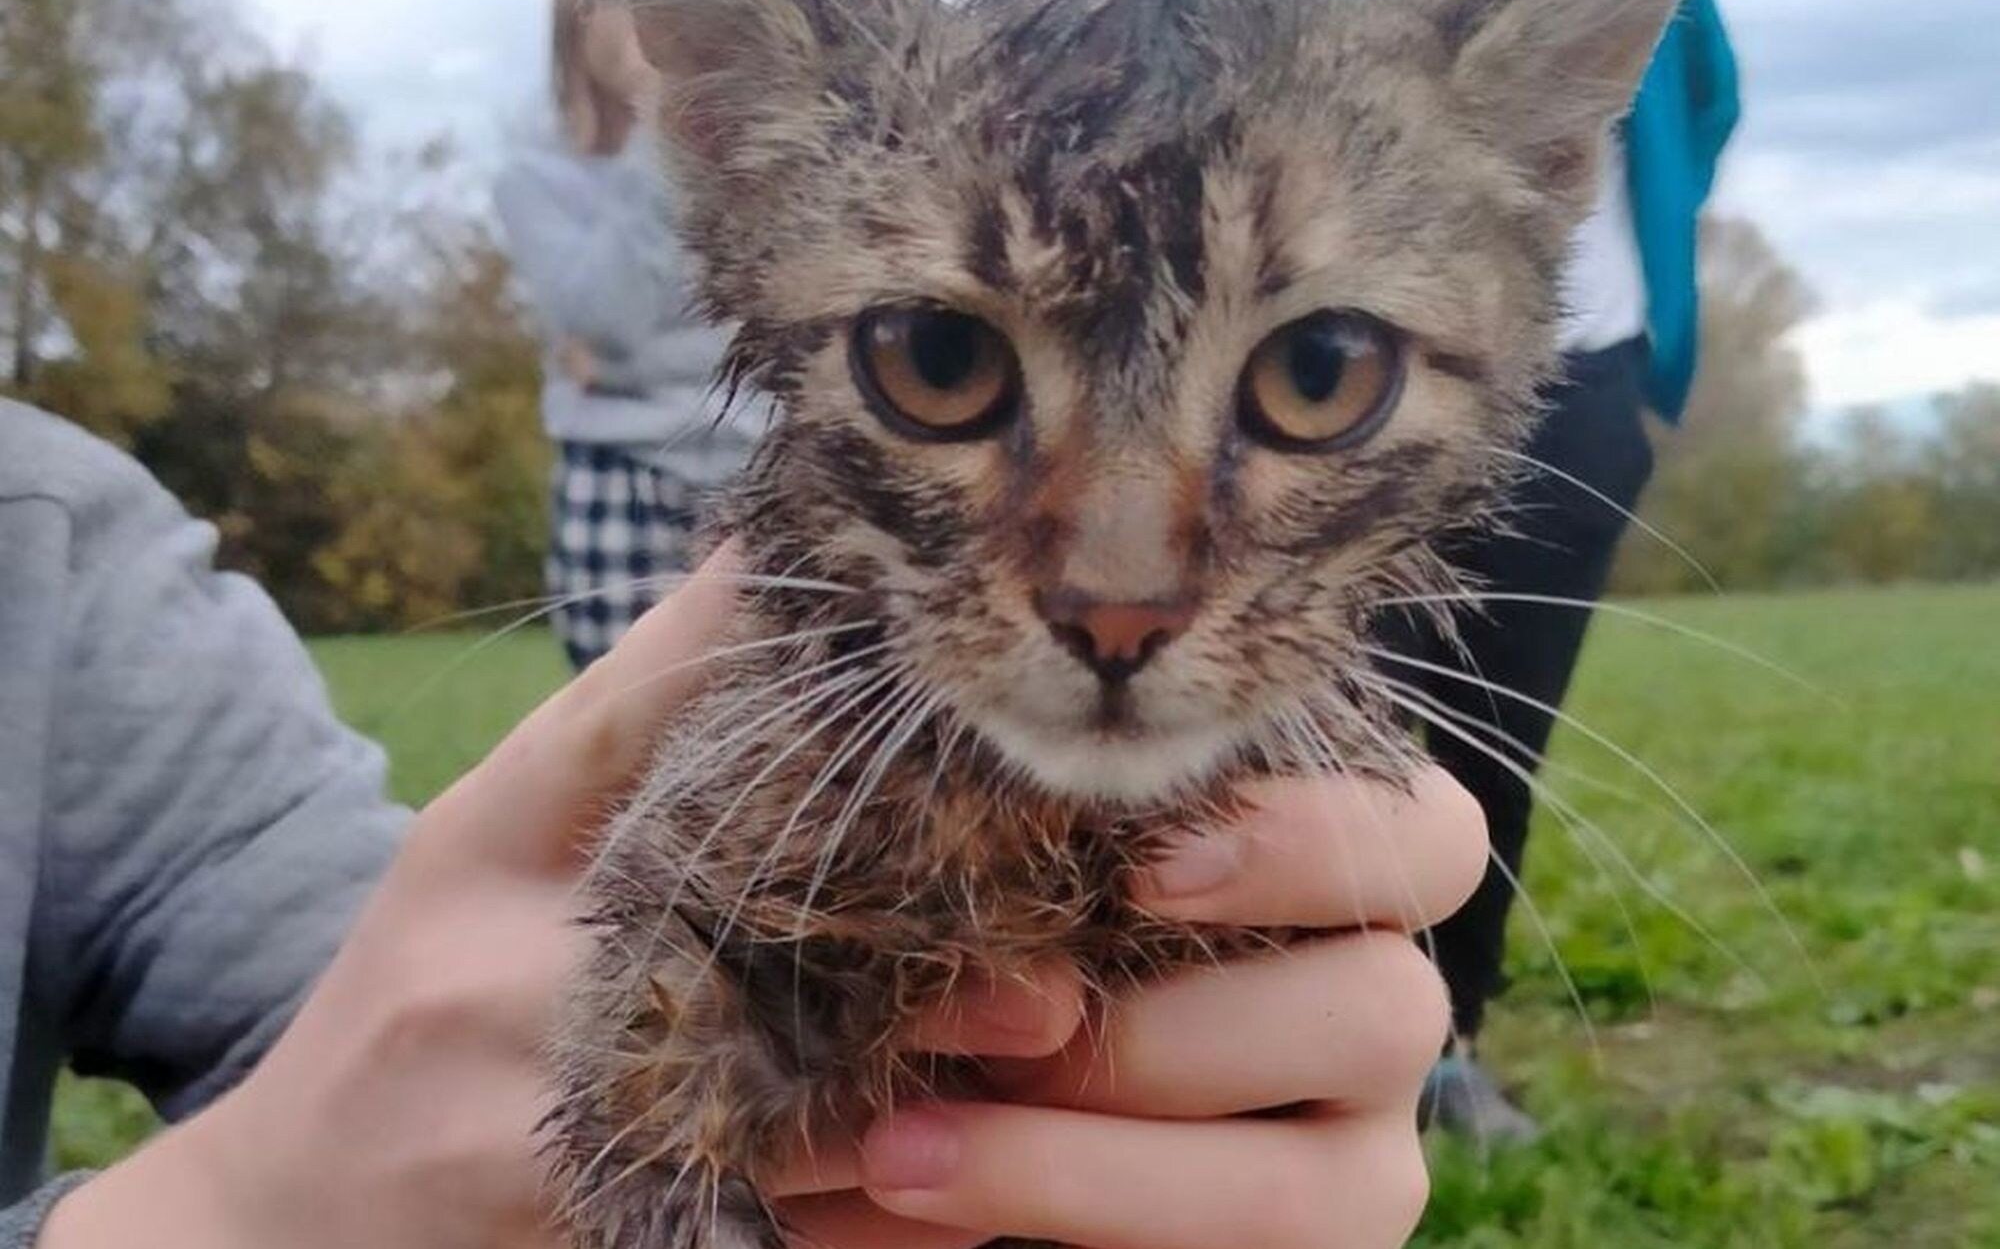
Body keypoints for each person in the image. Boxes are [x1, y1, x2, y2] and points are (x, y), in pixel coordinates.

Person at [1, 398, 1487, 1249]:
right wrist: (228, 1213)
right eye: (946, 358)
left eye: (1315, 373)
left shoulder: (59, 547)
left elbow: (347, 984)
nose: (1120, 578)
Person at [1297, 0, 1741, 1142]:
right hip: (1363, 409)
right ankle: (1304, 1044)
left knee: (1501, 733)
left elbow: (1702, 114)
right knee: (1337, 723)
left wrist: (1645, 304)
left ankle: (1449, 1044)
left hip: (1585, 382)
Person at [494, 0, 758, 673]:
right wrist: (661, 126)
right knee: (615, 731)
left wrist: (626, 364)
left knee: (762, 720)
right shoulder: (535, 180)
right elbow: (603, 316)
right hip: (616, 475)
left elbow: (762, 320)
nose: (651, 21)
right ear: (576, 25)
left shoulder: (742, 170)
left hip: (751, 465)